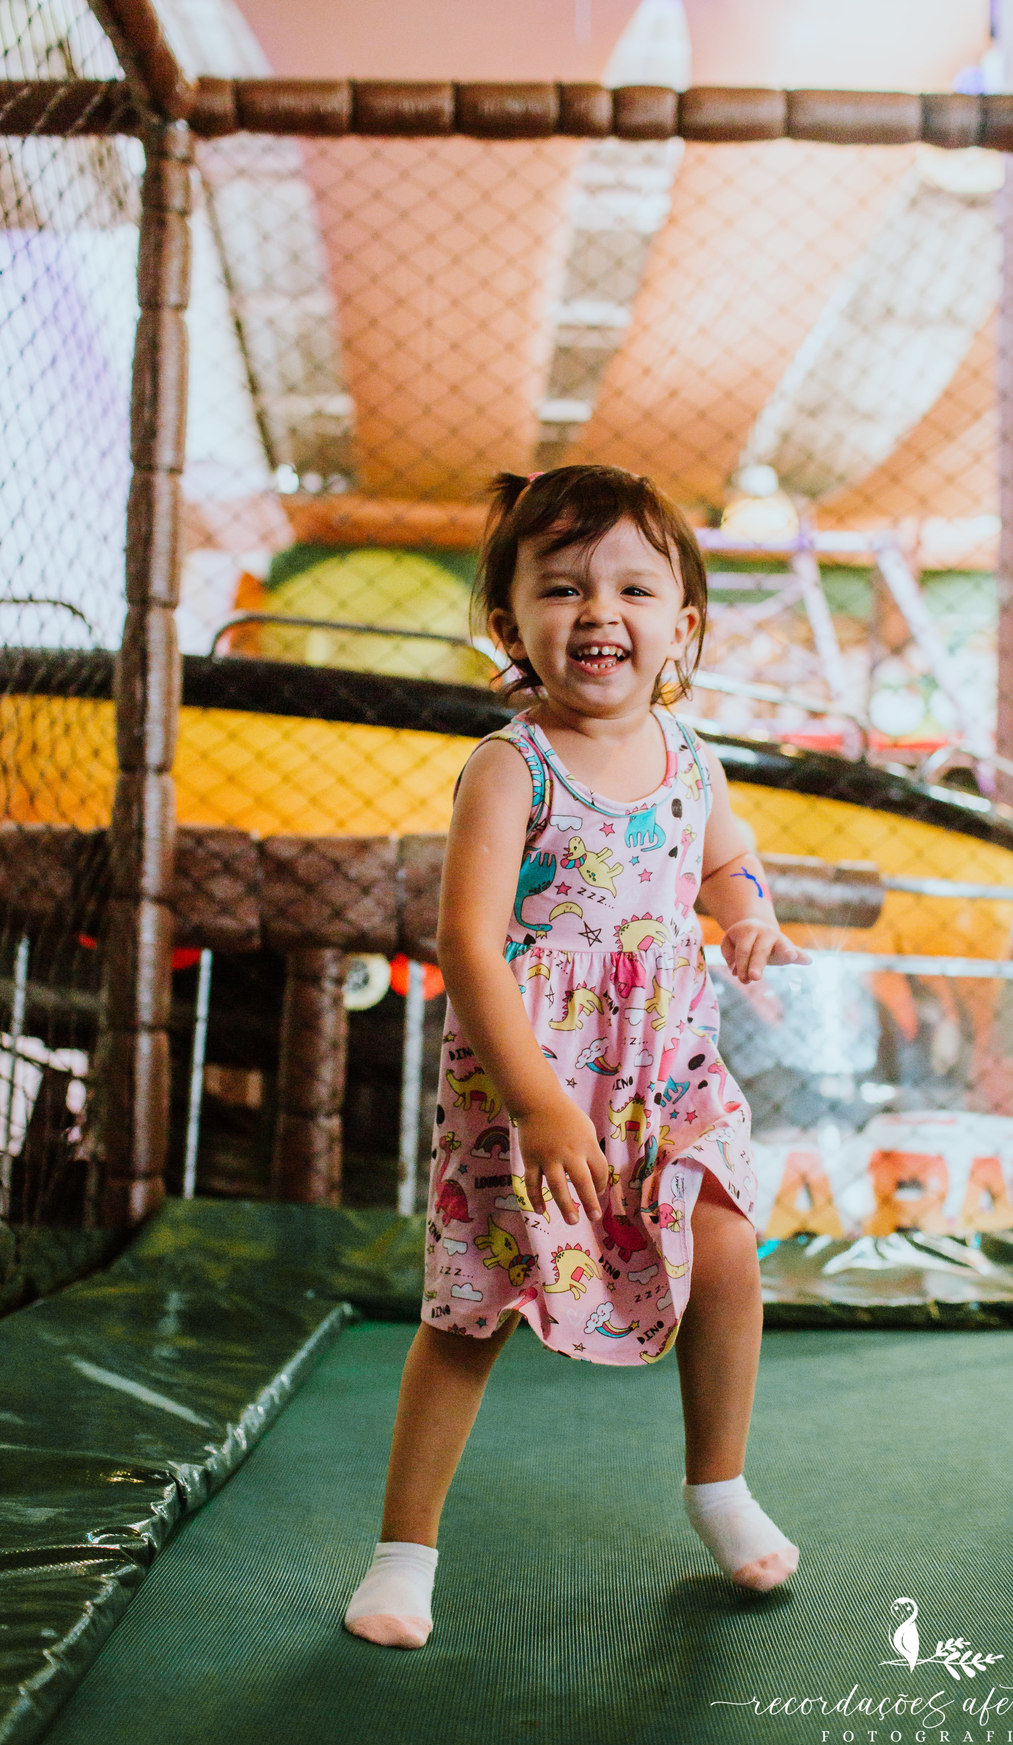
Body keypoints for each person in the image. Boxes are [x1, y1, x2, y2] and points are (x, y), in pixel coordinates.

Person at [343, 464, 807, 1649]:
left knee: (726, 1246)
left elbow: (726, 856)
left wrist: (747, 911)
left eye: (633, 588)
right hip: (531, 1079)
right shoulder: (513, 766)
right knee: (472, 1311)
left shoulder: (692, 759)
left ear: (680, 628)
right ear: (510, 625)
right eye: (562, 588)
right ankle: (404, 1557)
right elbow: (469, 941)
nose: (600, 612)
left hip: (664, 1074)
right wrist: (542, 1106)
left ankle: (720, 1486)